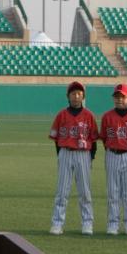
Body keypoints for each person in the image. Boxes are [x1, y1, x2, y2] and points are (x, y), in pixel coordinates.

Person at [49, 81, 99, 235]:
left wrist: (90, 158)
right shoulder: (61, 115)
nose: (76, 96)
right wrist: (61, 154)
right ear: (68, 96)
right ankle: (57, 223)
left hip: (83, 154)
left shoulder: (89, 115)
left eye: (79, 93)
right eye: (73, 94)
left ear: (83, 96)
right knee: (62, 191)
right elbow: (56, 139)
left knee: (85, 192)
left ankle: (87, 223)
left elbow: (94, 140)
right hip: (65, 152)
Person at [100, 83, 127, 235]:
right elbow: (104, 137)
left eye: (123, 97)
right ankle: (113, 223)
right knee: (112, 192)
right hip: (112, 154)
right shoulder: (107, 116)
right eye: (117, 97)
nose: (119, 100)